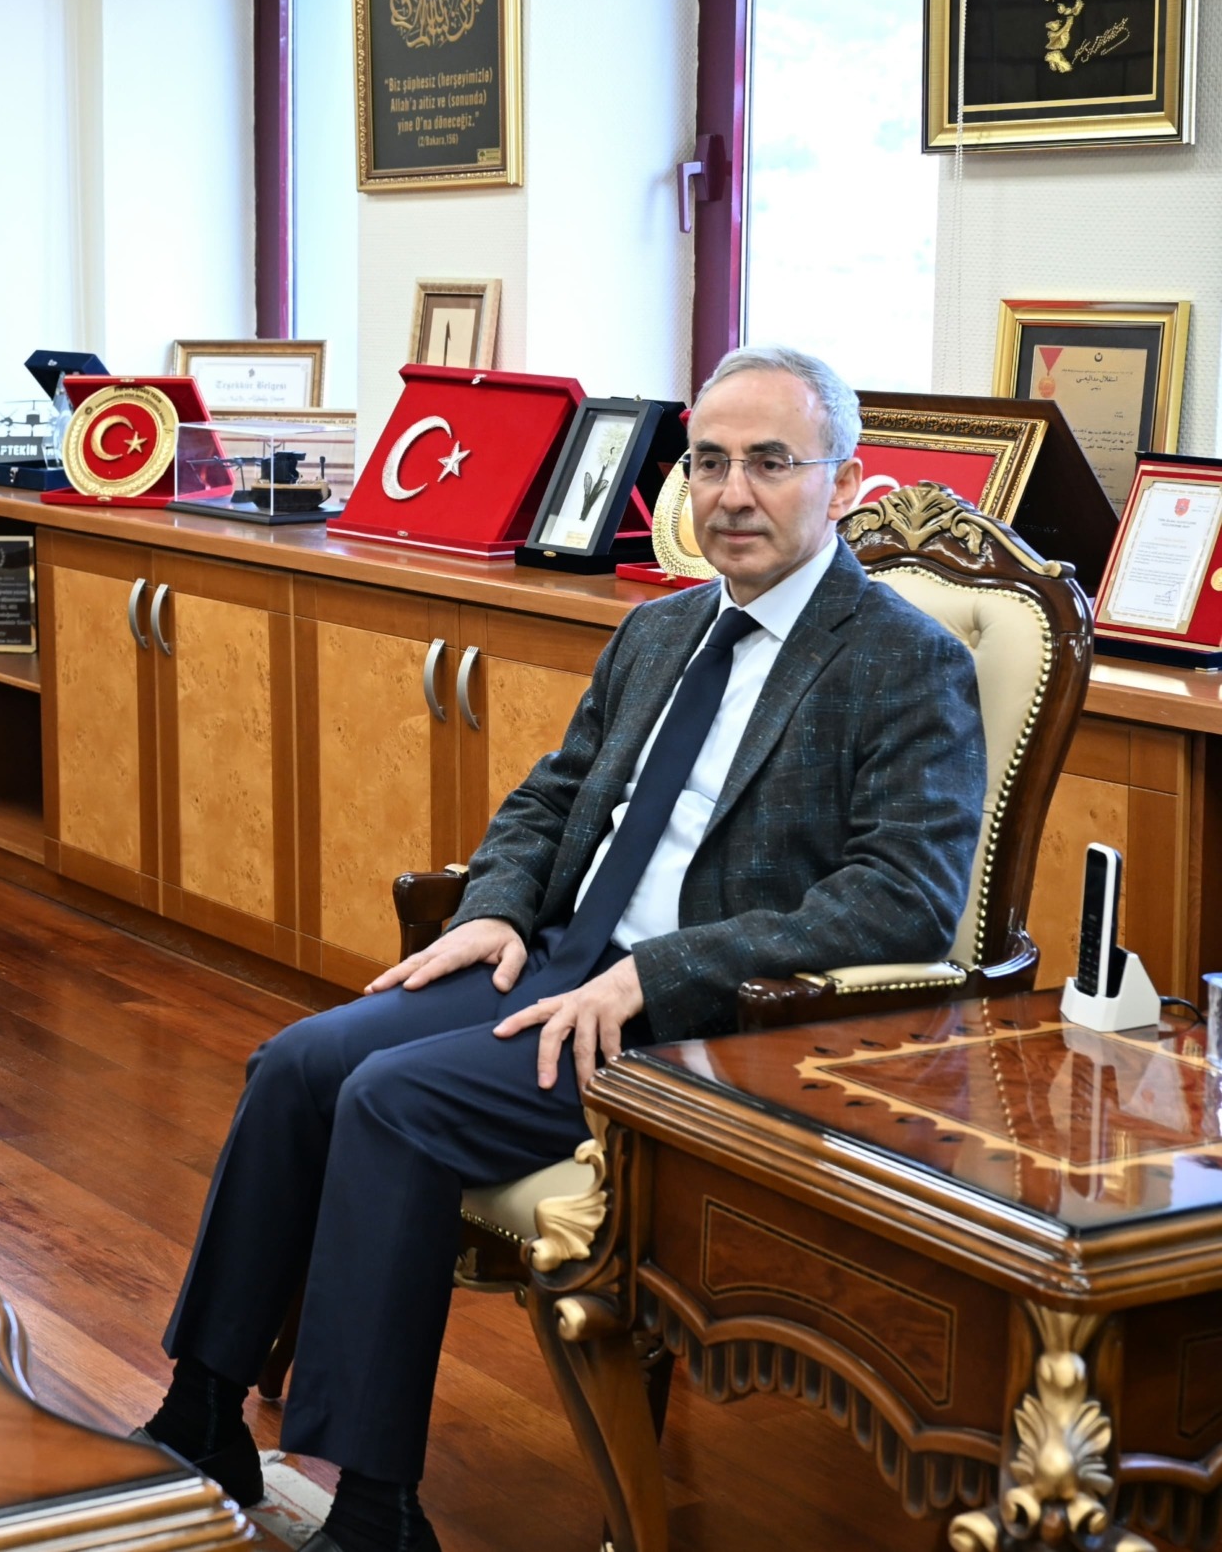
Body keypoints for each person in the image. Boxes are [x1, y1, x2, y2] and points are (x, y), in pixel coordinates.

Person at [140, 346, 987, 1552]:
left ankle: (373, 1508)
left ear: (843, 483)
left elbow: (900, 901)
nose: (731, 494)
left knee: (390, 1099)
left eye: (769, 463)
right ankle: (201, 1414)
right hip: (556, 959)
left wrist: (658, 973)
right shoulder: (662, 629)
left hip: (703, 1021)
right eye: (707, 463)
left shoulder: (905, 661)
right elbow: (552, 796)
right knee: (296, 1063)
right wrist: (492, 906)